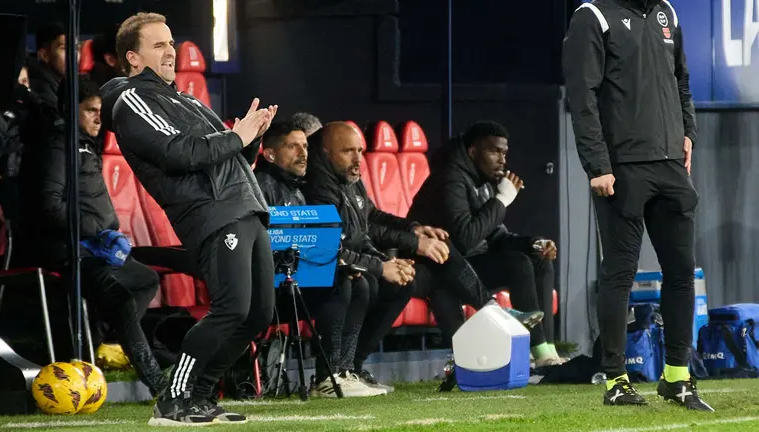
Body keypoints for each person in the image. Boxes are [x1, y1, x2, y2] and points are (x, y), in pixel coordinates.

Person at [102, 12, 278, 425]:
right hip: (212, 213)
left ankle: (199, 396)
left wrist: (251, 136)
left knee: (257, 314)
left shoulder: (186, 99)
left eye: (171, 42)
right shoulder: (133, 99)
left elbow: (230, 155)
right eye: (158, 45)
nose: (170, 51)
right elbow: (179, 153)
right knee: (231, 308)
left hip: (245, 205)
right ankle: (171, 398)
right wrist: (237, 136)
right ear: (132, 56)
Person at [303, 122, 542, 391]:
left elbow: (371, 218)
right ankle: (336, 374)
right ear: (324, 153)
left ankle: (352, 369)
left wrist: (413, 228)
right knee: (372, 280)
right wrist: (400, 253)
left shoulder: (350, 180)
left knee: (432, 265)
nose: (359, 159)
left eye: (360, 151)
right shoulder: (319, 188)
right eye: (348, 151)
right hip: (339, 270)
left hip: (365, 263)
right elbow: (346, 241)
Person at [562, 0, 711, 410]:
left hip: (669, 166)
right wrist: (597, 164)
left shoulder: (667, 13)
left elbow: (681, 80)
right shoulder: (591, 16)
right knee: (619, 275)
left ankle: (677, 377)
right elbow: (582, 95)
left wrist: (689, 134)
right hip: (621, 168)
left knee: (681, 272)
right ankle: (616, 380)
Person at [15, 75, 166, 396]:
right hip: (73, 251)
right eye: (91, 110)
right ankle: (158, 384)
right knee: (123, 299)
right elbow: (49, 207)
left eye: (100, 110)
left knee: (146, 279)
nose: (99, 117)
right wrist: (95, 233)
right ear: (72, 111)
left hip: (97, 247)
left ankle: (106, 338)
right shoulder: (59, 146)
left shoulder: (84, 144)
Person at [409, 121, 566, 367]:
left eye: (504, 153)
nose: (502, 160)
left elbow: (495, 236)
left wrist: (533, 243)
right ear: (472, 152)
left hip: (469, 262)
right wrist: (502, 200)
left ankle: (547, 351)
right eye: (494, 151)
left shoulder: (482, 181)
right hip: (444, 269)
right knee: (517, 264)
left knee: (538, 258)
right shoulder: (451, 179)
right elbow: (465, 238)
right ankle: (538, 352)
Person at [254, 121, 383, 397]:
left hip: (294, 285)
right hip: (269, 291)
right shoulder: (261, 187)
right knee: (339, 282)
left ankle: (342, 371)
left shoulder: (297, 190)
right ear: (270, 155)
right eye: (293, 146)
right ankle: (328, 377)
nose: (303, 153)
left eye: (305, 146)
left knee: (357, 281)